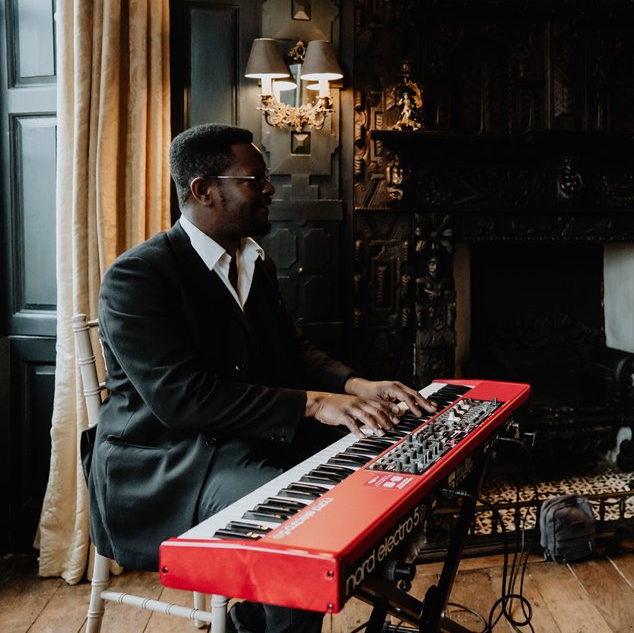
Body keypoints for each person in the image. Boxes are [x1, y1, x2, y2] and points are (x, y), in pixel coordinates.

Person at [86, 123, 435, 632]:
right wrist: (315, 404)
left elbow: (291, 351)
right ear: (204, 190)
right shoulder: (138, 277)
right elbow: (182, 400)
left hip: (244, 441)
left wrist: (356, 386)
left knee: (383, 468)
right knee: (300, 530)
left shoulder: (254, 262)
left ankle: (261, 613)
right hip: (170, 465)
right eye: (256, 179)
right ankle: (281, 603)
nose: (270, 187)